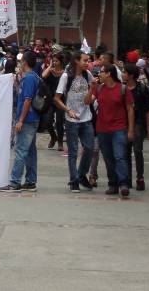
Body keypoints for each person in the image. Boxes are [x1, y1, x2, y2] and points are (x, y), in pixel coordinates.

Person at [54, 51, 95, 192]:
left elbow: (87, 101)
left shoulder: (88, 75)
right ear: (76, 61)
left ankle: (81, 174)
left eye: (88, 60)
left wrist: (93, 89)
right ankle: (74, 180)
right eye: (84, 60)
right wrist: (68, 110)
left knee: (90, 148)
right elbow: (57, 98)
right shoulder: (66, 76)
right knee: (73, 152)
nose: (87, 63)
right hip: (71, 120)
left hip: (86, 118)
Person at [91, 64, 135, 197]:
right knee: (108, 158)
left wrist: (131, 130)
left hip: (119, 128)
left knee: (119, 155)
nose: (99, 75)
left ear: (109, 74)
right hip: (102, 129)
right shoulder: (98, 89)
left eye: (101, 72)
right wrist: (91, 88)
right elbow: (87, 102)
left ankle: (123, 183)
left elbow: (130, 110)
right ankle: (113, 183)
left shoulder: (123, 89)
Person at [0, 51, 41, 192]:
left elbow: (27, 100)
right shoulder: (31, 77)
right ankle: (30, 181)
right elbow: (24, 96)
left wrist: (20, 120)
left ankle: (15, 182)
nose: (19, 63)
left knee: (21, 150)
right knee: (30, 151)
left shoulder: (29, 78)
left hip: (28, 119)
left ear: (25, 62)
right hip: (32, 119)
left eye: (21, 61)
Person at [124, 63, 149, 191]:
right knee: (125, 152)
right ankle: (127, 178)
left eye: (125, 72)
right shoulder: (122, 89)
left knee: (137, 150)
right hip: (123, 123)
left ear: (131, 75)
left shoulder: (142, 89)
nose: (123, 74)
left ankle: (140, 178)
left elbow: (147, 109)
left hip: (138, 123)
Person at [42, 53, 66, 151]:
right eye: (54, 61)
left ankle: (60, 141)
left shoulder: (64, 73)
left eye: (56, 61)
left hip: (60, 99)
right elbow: (43, 76)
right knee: (47, 121)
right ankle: (53, 137)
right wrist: (50, 66)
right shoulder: (50, 71)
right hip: (50, 99)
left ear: (61, 62)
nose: (55, 62)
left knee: (59, 122)